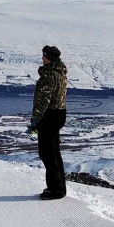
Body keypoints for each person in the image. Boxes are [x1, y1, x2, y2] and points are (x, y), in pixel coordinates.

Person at [30, 45, 68, 200]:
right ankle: (59, 188)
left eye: (44, 56)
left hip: (49, 115)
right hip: (59, 114)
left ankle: (56, 190)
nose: (42, 59)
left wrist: (35, 121)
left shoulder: (49, 76)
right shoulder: (60, 72)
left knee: (46, 153)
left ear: (49, 58)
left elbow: (43, 101)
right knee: (54, 153)